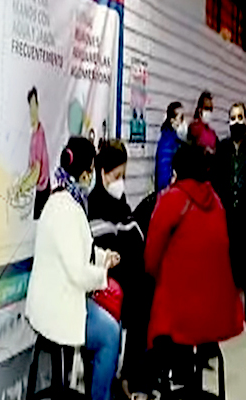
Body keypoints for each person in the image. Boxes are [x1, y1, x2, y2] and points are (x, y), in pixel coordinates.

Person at [25, 137, 121, 400]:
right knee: (110, 334)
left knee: (112, 319)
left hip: (60, 296)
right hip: (58, 307)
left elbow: (79, 250)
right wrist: (102, 274)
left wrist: (103, 258)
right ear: (86, 173)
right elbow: (78, 272)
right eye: (92, 169)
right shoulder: (65, 209)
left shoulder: (64, 200)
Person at [145, 145, 244, 390]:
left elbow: (151, 258)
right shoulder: (216, 201)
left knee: (154, 309)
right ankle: (190, 379)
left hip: (182, 315)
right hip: (217, 311)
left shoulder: (171, 199)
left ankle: (168, 380)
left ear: (177, 170)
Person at [87, 141, 152, 400]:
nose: (120, 183)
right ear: (102, 173)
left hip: (126, 278)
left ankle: (132, 377)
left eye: (123, 176)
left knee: (147, 291)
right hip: (104, 284)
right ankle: (129, 380)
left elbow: (134, 238)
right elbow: (106, 251)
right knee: (140, 298)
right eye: (116, 177)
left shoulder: (120, 203)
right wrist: (124, 247)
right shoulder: (94, 205)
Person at [212, 103, 246, 339]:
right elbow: (216, 179)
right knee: (229, 272)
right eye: (232, 118)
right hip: (228, 218)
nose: (236, 121)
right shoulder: (223, 148)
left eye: (240, 117)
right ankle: (228, 317)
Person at [19, 87, 50, 220]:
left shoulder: (38, 136)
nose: (32, 111)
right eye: (30, 107)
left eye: (33, 106)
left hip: (42, 188)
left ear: (37, 106)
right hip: (40, 187)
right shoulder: (34, 134)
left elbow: (36, 171)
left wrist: (22, 188)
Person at [155, 102, 188, 193]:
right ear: (172, 120)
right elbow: (163, 176)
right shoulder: (167, 143)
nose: (184, 122)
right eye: (181, 118)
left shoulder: (176, 141)